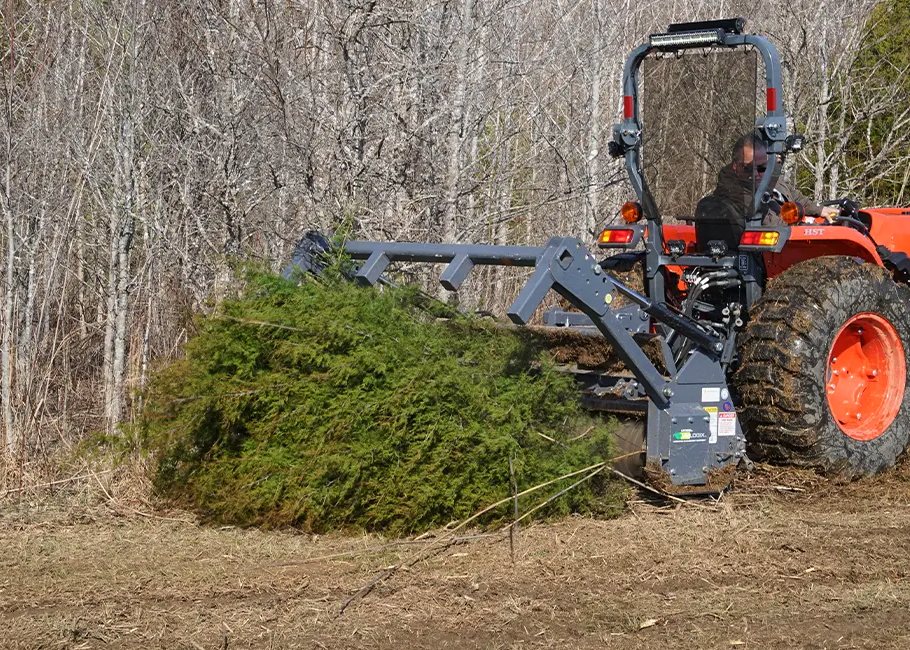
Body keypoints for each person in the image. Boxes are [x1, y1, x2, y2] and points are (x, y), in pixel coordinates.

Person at [694, 133, 837, 249]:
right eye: (748, 168)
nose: (756, 174)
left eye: (762, 167)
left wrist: (820, 210)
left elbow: (795, 196)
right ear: (735, 166)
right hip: (770, 255)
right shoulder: (734, 191)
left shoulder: (768, 178)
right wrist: (813, 228)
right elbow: (771, 223)